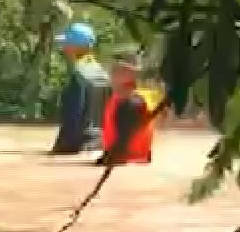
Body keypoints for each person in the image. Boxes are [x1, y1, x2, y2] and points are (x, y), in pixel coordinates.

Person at [50, 21, 111, 155]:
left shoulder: (78, 75)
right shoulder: (102, 72)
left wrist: (62, 147)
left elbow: (73, 115)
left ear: (77, 46)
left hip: (78, 145)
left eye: (67, 43)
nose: (64, 47)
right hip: (101, 143)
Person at [99, 48, 163, 166]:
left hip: (128, 158)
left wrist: (112, 156)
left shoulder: (132, 102)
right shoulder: (119, 98)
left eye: (117, 70)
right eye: (113, 70)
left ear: (130, 74)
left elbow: (124, 137)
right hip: (128, 156)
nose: (112, 74)